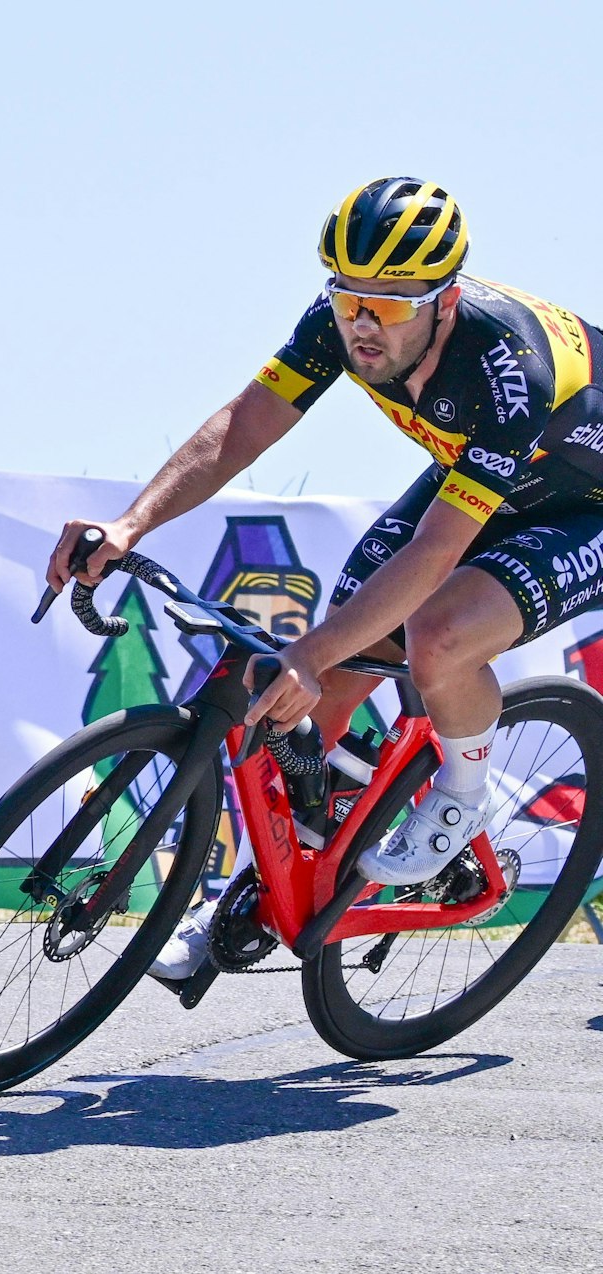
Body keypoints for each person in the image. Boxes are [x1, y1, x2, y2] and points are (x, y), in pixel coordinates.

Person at [45, 178, 603, 980]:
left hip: (587, 503)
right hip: (487, 473)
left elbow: (438, 554)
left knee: (437, 636)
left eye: (392, 305)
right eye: (348, 297)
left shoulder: (503, 368)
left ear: (445, 301)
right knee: (330, 682)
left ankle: (461, 792)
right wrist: (131, 523)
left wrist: (309, 651)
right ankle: (262, 893)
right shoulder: (340, 322)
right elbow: (244, 425)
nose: (364, 322)